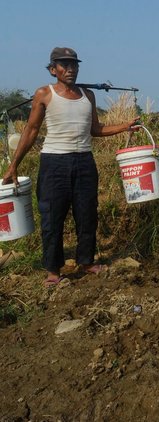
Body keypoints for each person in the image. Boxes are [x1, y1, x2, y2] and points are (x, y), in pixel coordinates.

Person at [2, 47, 140, 287]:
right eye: (64, 65)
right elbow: (31, 131)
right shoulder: (45, 94)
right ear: (53, 69)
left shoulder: (88, 95)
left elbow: (95, 129)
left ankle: (86, 261)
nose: (70, 69)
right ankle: (54, 271)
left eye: (74, 65)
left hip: (85, 162)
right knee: (52, 217)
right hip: (54, 163)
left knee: (87, 214)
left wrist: (124, 126)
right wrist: (14, 165)